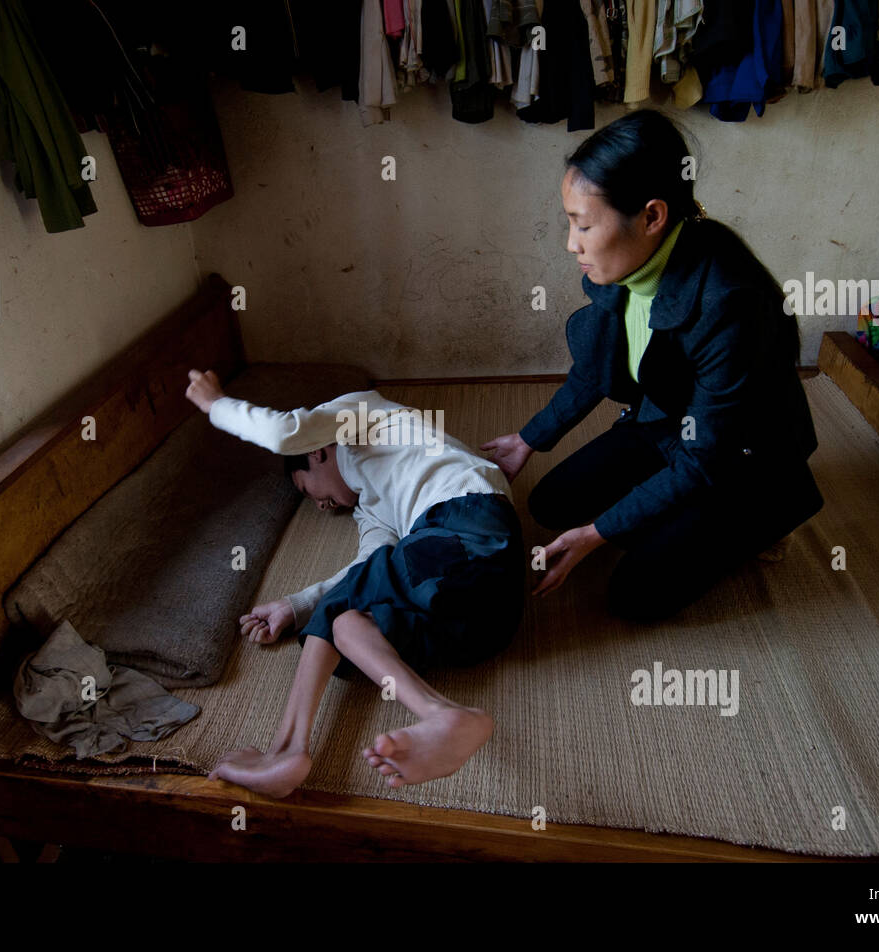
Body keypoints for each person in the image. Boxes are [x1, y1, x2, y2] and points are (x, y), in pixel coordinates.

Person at [482, 109, 824, 621]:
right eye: (569, 222)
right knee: (551, 504)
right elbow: (597, 366)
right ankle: (666, 514)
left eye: (583, 225)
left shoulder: (730, 302)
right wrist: (530, 438)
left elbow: (705, 456)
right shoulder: (621, 266)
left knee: (633, 597)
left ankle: (768, 519)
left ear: (651, 216)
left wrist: (598, 533)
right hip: (668, 419)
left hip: (743, 458)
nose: (570, 243)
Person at [184, 370, 524, 798]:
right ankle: (441, 715)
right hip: (478, 627)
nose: (322, 506)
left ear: (318, 452)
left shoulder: (361, 414)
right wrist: (295, 605)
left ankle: (287, 749)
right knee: (346, 625)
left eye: (308, 490)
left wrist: (216, 404)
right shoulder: (375, 513)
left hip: (472, 527)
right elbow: (363, 570)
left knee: (348, 604)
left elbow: (285, 432)